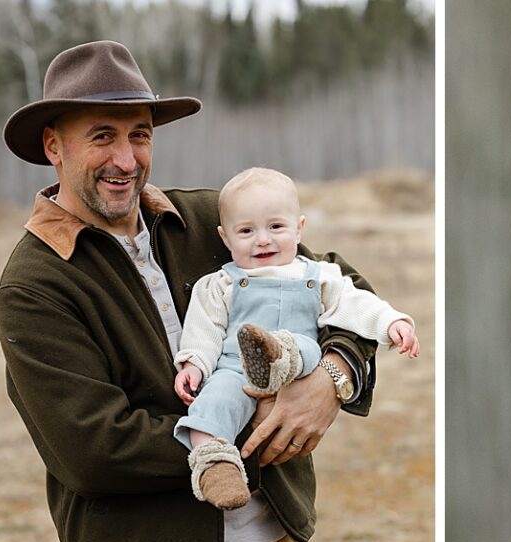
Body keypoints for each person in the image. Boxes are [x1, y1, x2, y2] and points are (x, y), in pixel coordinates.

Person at [0, 41, 388, 542]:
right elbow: (93, 448)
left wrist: (333, 377)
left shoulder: (211, 220)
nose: (126, 159)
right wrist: (249, 434)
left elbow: (342, 286)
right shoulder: (35, 285)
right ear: (53, 146)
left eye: (140, 135)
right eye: (102, 136)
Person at [174, 165, 419, 511]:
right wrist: (194, 366)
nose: (262, 240)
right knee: (211, 405)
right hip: (234, 369)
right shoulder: (221, 284)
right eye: (246, 231)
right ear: (225, 238)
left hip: (299, 365)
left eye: (276, 227)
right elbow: (204, 332)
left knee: (302, 347)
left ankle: (274, 357)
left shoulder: (317, 275)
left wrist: (392, 322)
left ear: (299, 228)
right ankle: (215, 465)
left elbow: (355, 303)